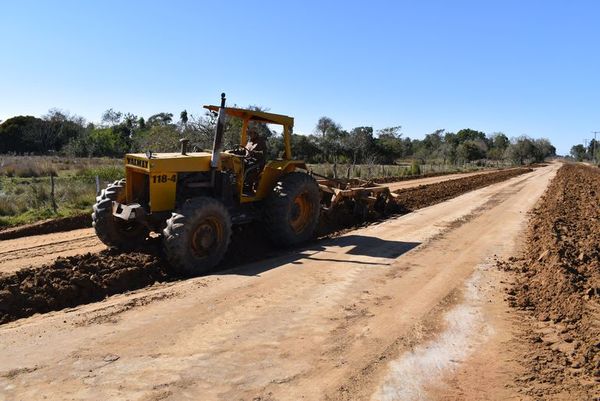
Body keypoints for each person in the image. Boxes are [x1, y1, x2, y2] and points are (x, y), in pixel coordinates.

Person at [242, 128, 267, 193]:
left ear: (255, 133)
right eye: (249, 133)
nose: (249, 135)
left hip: (258, 162)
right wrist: (233, 151)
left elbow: (263, 153)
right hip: (248, 160)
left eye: (251, 133)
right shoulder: (250, 141)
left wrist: (254, 153)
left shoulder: (261, 141)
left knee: (247, 167)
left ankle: (248, 188)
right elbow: (245, 150)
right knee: (239, 164)